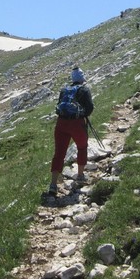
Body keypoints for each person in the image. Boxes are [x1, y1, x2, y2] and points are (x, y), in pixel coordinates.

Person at [48, 67, 94, 196]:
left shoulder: (64, 90)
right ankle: (80, 175)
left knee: (59, 153)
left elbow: (58, 106)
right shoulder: (84, 89)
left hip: (61, 124)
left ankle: (53, 184)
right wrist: (83, 114)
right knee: (82, 147)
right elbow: (89, 108)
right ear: (82, 78)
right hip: (77, 123)